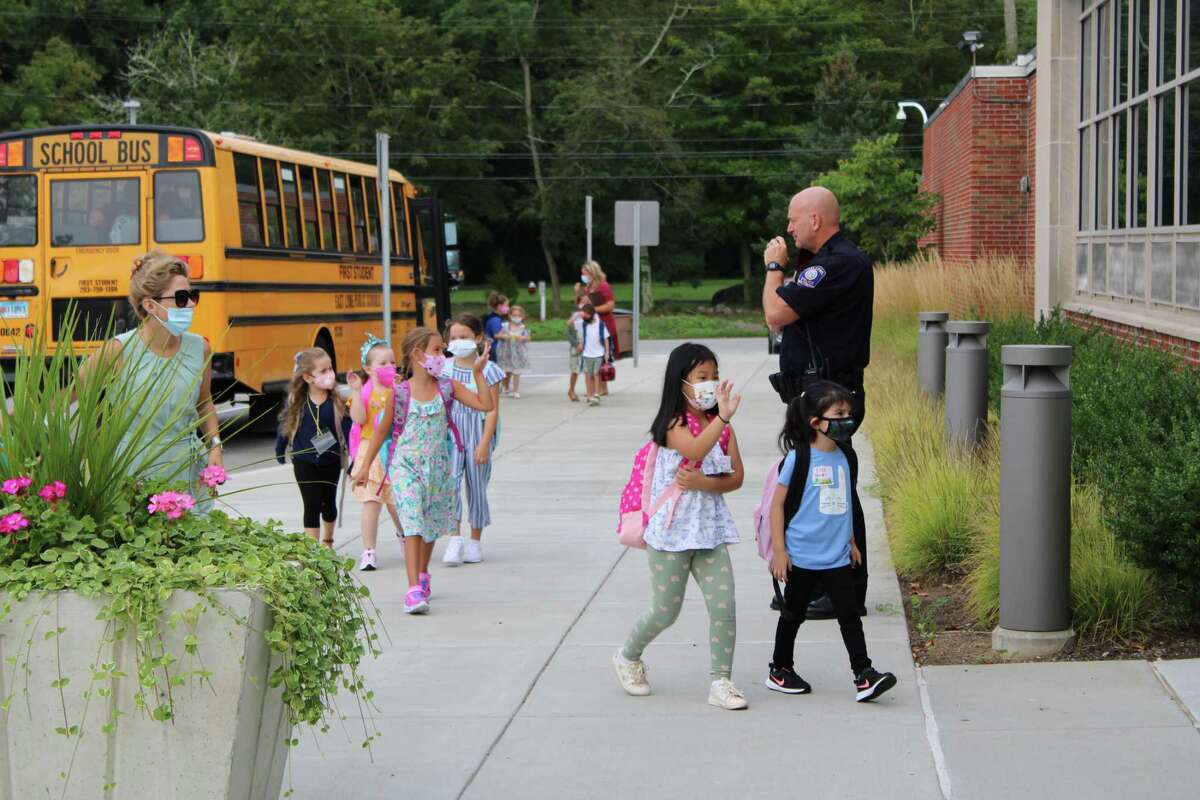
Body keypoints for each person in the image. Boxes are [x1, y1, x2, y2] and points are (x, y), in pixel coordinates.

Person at [612, 343, 749, 711]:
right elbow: (692, 451)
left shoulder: (721, 427)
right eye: (701, 377)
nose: (710, 384)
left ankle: (721, 681)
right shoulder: (673, 424)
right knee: (665, 612)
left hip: (709, 532)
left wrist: (707, 483)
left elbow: (736, 477)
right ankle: (628, 656)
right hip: (670, 535)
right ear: (681, 382)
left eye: (714, 376)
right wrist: (721, 419)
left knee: (725, 607)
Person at [761, 186, 874, 618]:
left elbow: (776, 313)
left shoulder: (838, 264)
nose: (788, 228)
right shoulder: (825, 264)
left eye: (793, 219)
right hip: (815, 397)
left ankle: (844, 588)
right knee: (816, 487)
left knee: (836, 488)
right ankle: (813, 583)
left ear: (815, 220)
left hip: (830, 399)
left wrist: (774, 268)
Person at [765, 381, 897, 702]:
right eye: (839, 413)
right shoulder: (799, 459)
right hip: (802, 557)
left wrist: (851, 541)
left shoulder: (845, 457)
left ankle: (864, 675)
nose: (847, 419)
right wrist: (780, 551)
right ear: (816, 422)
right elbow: (777, 505)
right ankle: (780, 669)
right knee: (792, 615)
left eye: (848, 413)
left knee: (850, 617)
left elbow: (845, 502)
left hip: (837, 557)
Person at [353, 327, 494, 615]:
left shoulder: (448, 386)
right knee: (413, 523)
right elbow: (380, 432)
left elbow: (485, 404)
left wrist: (478, 374)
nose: (443, 356)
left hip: (438, 468)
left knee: (429, 528)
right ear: (418, 354)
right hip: (405, 467)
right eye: (438, 350)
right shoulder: (400, 393)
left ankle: (423, 574)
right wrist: (365, 466)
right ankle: (413, 590)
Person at [85, 250, 223, 508]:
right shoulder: (117, 351)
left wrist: (215, 446)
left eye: (193, 296)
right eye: (181, 298)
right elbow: (69, 395)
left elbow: (204, 404)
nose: (191, 304)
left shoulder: (199, 348)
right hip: (133, 474)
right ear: (150, 305)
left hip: (188, 473)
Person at [440, 314, 506, 566]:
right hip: (451, 436)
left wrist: (484, 444)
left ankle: (475, 541)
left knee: (477, 487)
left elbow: (492, 409)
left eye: (464, 337)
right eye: (454, 338)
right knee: (451, 485)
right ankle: (454, 538)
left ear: (478, 338)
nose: (458, 342)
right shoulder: (443, 369)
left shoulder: (489, 370)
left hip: (478, 433)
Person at [276, 348, 351, 547]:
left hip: (331, 460)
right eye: (323, 371)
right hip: (303, 460)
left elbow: (348, 430)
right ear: (308, 377)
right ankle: (313, 551)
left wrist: (354, 458)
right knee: (311, 505)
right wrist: (280, 448)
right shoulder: (297, 402)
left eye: (330, 369)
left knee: (328, 505)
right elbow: (286, 424)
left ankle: (327, 540)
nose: (330, 374)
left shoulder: (337, 402)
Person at [347, 334, 405, 571]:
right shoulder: (365, 392)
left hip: (394, 451)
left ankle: (405, 536)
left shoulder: (399, 390)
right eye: (382, 363)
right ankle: (369, 551)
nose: (389, 367)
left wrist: (401, 391)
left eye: (392, 362)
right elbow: (359, 419)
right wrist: (355, 392)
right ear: (367, 368)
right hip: (370, 451)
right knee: (371, 502)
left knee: (395, 504)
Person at [577, 261, 618, 395]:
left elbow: (610, 305)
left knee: (600, 356)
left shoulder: (603, 286)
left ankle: (600, 389)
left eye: (585, 273)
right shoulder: (589, 287)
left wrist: (593, 309)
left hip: (603, 325)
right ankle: (598, 388)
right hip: (592, 325)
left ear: (592, 272)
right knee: (595, 355)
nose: (583, 275)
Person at [573, 303, 607, 407]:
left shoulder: (600, 324)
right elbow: (583, 336)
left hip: (598, 353)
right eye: (584, 315)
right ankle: (589, 395)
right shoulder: (584, 324)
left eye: (586, 315)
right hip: (587, 353)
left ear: (591, 314)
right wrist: (581, 345)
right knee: (588, 374)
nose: (585, 317)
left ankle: (596, 394)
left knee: (596, 374)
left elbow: (606, 338)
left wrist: (606, 352)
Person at [498, 305, 531, 398]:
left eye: (519, 315)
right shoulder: (505, 326)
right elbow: (498, 335)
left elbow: (528, 337)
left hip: (518, 352)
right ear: (510, 315)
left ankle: (516, 390)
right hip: (506, 351)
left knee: (517, 371)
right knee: (506, 371)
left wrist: (522, 337)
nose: (516, 317)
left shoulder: (523, 327)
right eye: (514, 315)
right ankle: (506, 387)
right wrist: (505, 336)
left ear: (522, 316)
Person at [483, 292, 509, 366]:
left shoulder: (493, 318)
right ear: (499, 306)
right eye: (506, 305)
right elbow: (496, 335)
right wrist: (510, 336)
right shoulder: (495, 319)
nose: (508, 308)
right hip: (495, 349)